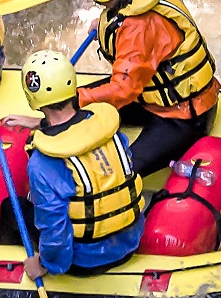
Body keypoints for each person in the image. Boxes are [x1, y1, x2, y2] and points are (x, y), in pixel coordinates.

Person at [72, 0, 220, 175]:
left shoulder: (138, 29)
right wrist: (103, 25)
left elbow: (123, 90)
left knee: (125, 174)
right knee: (73, 110)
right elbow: (124, 22)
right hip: (149, 98)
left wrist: (75, 99)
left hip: (182, 115)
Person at [8, 49, 145, 279]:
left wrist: (44, 264)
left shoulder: (42, 164)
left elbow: (55, 231)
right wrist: (42, 124)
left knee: (10, 211)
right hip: (130, 242)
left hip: (85, 261)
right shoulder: (106, 127)